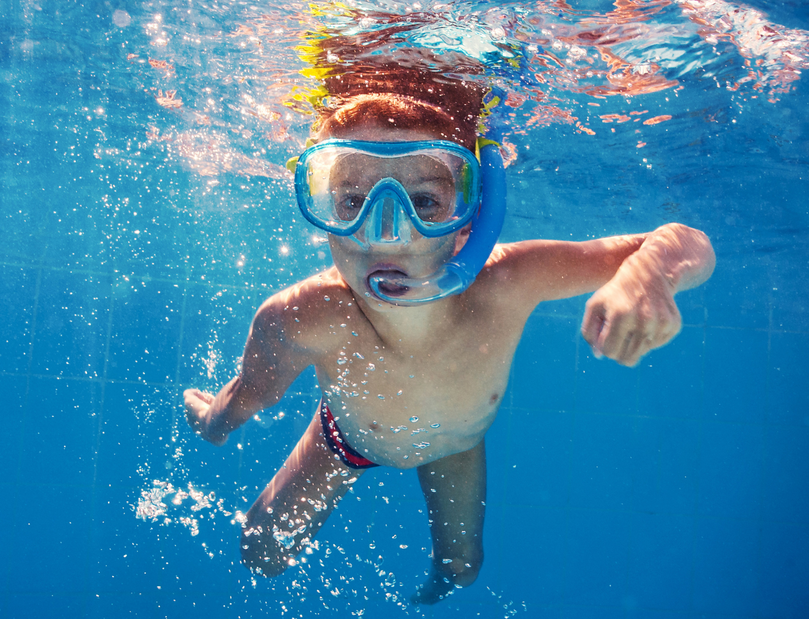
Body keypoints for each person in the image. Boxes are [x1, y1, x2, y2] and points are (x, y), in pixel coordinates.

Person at [183, 69, 715, 604]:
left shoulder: (508, 279)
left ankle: (434, 590)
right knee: (261, 553)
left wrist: (651, 272)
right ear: (321, 209)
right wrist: (215, 422)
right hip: (346, 440)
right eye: (351, 201)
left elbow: (684, 240)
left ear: (472, 217)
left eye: (426, 203)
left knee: (462, 570)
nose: (385, 233)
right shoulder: (301, 316)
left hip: (457, 445)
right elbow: (250, 391)